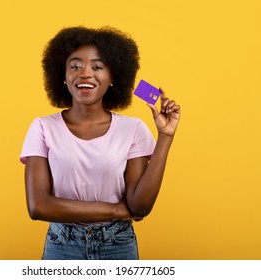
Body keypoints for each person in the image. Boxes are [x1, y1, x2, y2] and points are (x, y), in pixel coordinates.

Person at [20, 26, 181, 260]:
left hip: (117, 244)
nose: (85, 73)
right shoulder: (43, 127)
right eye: (75, 66)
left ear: (112, 77)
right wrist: (115, 209)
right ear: (63, 76)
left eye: (97, 67)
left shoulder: (133, 129)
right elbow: (38, 206)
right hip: (62, 245)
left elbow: (139, 207)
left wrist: (165, 137)